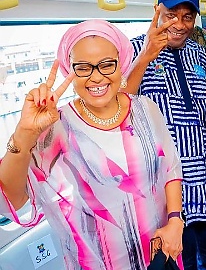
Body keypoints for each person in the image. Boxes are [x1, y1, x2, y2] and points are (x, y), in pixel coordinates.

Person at [0, 20, 184, 269]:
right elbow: (10, 199)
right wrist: (24, 132)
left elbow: (170, 168)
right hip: (96, 263)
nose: (96, 76)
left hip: (159, 254)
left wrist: (175, 220)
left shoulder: (145, 109)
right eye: (83, 68)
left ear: (121, 65)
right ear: (70, 70)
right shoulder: (55, 128)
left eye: (107, 64)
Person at [126, 0, 206, 270]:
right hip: (166, 187)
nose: (179, 24)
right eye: (171, 15)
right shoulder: (133, 50)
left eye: (187, 17)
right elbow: (122, 105)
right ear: (157, 12)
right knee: (181, 263)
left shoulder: (200, 53)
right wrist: (146, 55)